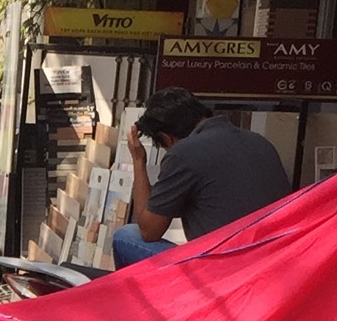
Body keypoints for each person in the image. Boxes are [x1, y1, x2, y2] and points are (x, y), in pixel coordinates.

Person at [115, 87, 290, 268]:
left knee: (125, 237)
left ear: (166, 138)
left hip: (225, 266)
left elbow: (148, 231)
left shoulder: (183, 154)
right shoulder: (260, 142)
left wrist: (138, 160)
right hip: (276, 260)